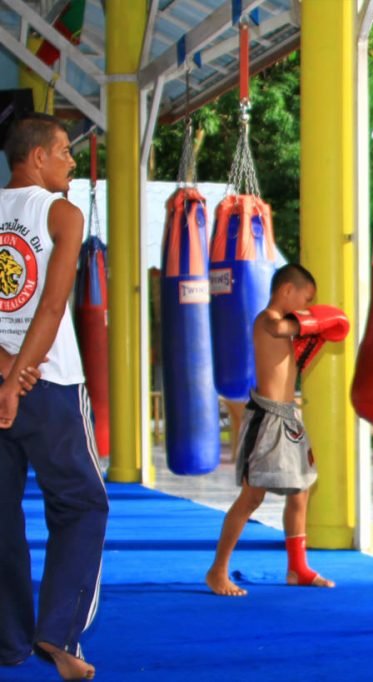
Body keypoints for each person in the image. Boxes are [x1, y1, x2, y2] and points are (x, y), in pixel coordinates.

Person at [0, 113, 108, 680]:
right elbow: (50, 306)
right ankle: (58, 635)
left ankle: (8, 641)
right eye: (64, 150)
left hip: (7, 382)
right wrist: (20, 380)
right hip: (51, 386)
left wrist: (4, 376)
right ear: (37, 156)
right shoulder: (62, 213)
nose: (70, 160)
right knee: (82, 504)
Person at [206, 263, 349, 597]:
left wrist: (313, 333)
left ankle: (298, 568)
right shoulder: (267, 320)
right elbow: (282, 328)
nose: (305, 306)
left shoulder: (288, 327)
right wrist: (316, 321)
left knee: (301, 490)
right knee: (252, 496)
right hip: (266, 419)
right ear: (287, 290)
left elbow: (291, 350)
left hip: (289, 417)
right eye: (305, 298)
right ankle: (218, 570)